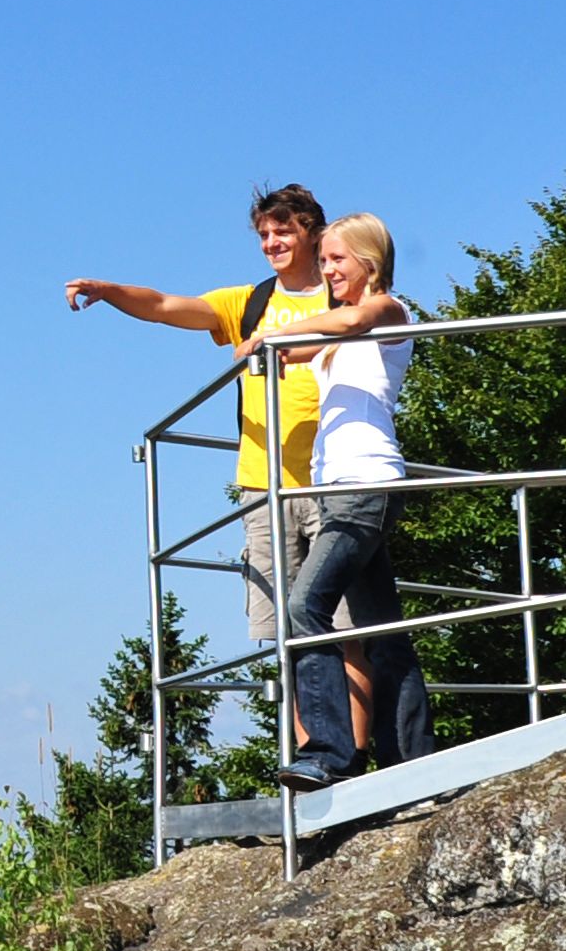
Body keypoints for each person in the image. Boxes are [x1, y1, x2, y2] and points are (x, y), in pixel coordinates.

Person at [66, 185, 334, 650]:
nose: (272, 242)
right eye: (264, 234)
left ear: (313, 233)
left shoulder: (343, 299)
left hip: (334, 477)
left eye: (283, 231)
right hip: (263, 482)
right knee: (285, 639)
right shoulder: (250, 302)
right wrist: (107, 291)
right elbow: (166, 307)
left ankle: (354, 728)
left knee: (349, 629)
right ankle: (307, 728)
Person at [267, 211, 434, 786]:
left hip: (366, 484)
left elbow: (354, 320)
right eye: (326, 259)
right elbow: (299, 351)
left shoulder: (390, 310)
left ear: (369, 262)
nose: (328, 269)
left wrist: (272, 335)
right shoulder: (334, 330)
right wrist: (275, 349)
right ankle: (412, 761)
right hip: (336, 487)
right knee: (382, 631)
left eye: (338, 259)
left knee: (303, 607)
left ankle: (328, 752)